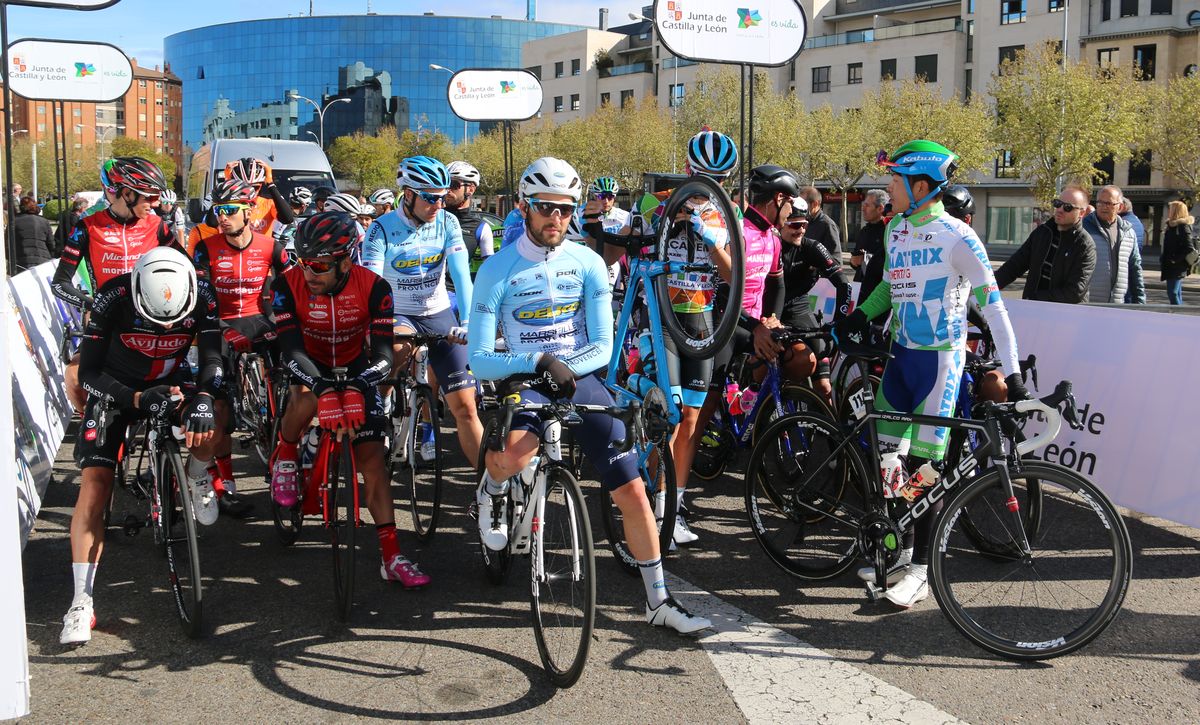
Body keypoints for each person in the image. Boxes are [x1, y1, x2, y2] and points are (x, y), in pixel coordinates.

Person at [469, 156, 711, 634]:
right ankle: (490, 489)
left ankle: (658, 600)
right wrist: (538, 362)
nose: (554, 218)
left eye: (564, 209)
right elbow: (479, 359)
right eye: (543, 208)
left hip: (580, 375)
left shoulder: (588, 264)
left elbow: (601, 345)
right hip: (527, 375)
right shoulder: (496, 269)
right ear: (524, 207)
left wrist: (566, 369)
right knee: (515, 456)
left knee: (633, 489)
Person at [835, 139, 1027, 609]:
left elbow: (995, 308)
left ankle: (921, 570)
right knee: (887, 462)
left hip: (940, 363)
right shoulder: (895, 228)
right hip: (901, 359)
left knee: (924, 470)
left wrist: (1013, 371)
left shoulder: (958, 236)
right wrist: (861, 316)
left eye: (894, 180)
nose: (887, 188)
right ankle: (894, 551)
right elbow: (889, 287)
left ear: (921, 186)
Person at [60, 247, 226, 644]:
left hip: (172, 379)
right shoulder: (111, 297)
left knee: (214, 420)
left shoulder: (202, 295)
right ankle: (80, 600)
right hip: (117, 386)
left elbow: (213, 358)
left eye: (175, 327)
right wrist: (134, 399)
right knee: (96, 485)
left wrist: (203, 396)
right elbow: (88, 372)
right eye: (156, 325)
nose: (168, 334)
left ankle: (198, 475)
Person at [269, 211, 431, 588]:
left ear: (346, 259)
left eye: (320, 265)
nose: (309, 272)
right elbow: (289, 350)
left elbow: (386, 356)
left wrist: (359, 385)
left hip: (359, 363)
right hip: (307, 361)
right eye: (302, 261)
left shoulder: (375, 287)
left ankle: (391, 555)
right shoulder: (285, 286)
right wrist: (325, 388)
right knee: (308, 399)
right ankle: (288, 454)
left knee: (372, 458)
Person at [362, 156, 485, 468]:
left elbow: (460, 273)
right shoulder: (381, 229)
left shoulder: (447, 222)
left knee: (467, 408)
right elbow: (372, 284)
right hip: (398, 312)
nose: (438, 205)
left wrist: (468, 320)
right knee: (397, 346)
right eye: (430, 198)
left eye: (442, 198)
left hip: (438, 311)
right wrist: (375, 325)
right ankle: (384, 398)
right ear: (409, 194)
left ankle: (491, 485)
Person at [192, 178, 292, 518]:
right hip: (218, 324)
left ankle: (288, 451)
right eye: (218, 211)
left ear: (249, 211)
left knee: (294, 377)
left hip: (256, 318)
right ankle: (225, 485)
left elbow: (292, 287)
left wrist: (283, 320)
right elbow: (200, 297)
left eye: (230, 210)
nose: (222, 217)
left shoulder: (271, 246)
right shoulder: (205, 247)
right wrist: (219, 328)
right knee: (219, 410)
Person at [51, 157, 177, 414]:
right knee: (74, 380)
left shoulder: (157, 226)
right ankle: (94, 423)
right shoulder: (87, 226)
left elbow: (187, 271)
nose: (155, 204)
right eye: (149, 196)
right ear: (127, 193)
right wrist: (93, 304)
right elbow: (60, 283)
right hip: (105, 323)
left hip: (150, 321)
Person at [773, 195, 851, 402]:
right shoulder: (770, 245)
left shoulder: (812, 247)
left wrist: (838, 321)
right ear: (780, 224)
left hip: (799, 311)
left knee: (824, 387)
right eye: (795, 225)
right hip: (771, 312)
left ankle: (824, 431)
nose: (801, 230)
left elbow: (843, 283)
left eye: (805, 224)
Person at [994, 186, 1096, 303]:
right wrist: (983, 290)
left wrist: (1035, 298)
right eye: (1058, 203)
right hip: (1032, 310)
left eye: (1068, 207)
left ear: (1081, 213)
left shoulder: (1085, 245)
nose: (1060, 209)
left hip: (1066, 316)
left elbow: (1075, 292)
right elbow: (1013, 267)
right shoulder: (1042, 232)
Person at [1081, 185, 1145, 305]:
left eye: (1109, 203)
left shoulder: (1128, 232)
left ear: (1120, 207)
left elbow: (1135, 268)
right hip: (1087, 304)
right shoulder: (1083, 229)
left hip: (1116, 305)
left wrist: (1140, 302)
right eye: (1100, 202)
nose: (1103, 207)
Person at [850, 189, 889, 304]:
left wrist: (868, 260)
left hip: (879, 293)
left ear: (880, 208)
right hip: (859, 291)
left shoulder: (889, 231)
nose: (863, 208)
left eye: (867, 205)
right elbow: (857, 262)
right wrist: (854, 262)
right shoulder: (864, 231)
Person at [1161, 200, 1197, 306]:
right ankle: (1179, 312)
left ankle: (1177, 315)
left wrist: (1174, 260)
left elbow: (1189, 247)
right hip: (1171, 265)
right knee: (1176, 292)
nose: (1169, 211)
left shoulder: (1182, 226)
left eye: (1171, 209)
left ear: (1176, 211)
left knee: (1172, 293)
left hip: (1176, 266)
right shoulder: (1171, 225)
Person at [10, 195, 56, 273]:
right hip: (42, 259)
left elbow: (8, 244)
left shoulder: (13, 222)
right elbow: (51, 243)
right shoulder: (43, 221)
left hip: (21, 261)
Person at [799, 185, 842, 260]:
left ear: (815, 204)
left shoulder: (827, 225)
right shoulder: (803, 222)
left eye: (803, 204)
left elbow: (835, 259)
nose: (800, 207)